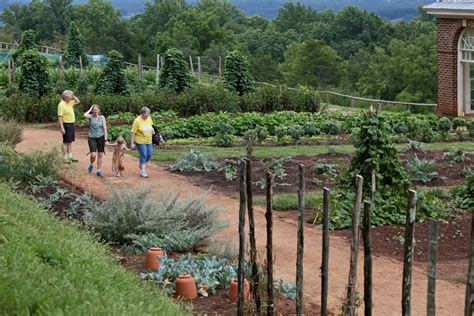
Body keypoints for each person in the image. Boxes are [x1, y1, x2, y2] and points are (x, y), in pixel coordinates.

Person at [84, 104, 108, 177]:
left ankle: (99, 170)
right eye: (93, 109)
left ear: (99, 110)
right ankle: (91, 164)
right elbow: (85, 115)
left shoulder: (102, 117)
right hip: (92, 137)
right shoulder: (90, 117)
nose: (95, 111)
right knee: (93, 155)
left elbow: (104, 128)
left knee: (100, 154)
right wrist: (90, 108)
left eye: (96, 109)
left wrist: (105, 139)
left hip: (101, 137)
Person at [131, 107, 154, 178]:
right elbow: (133, 132)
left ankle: (141, 164)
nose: (148, 115)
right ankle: (143, 171)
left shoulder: (149, 118)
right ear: (143, 113)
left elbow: (151, 125)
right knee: (143, 154)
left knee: (149, 155)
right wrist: (132, 143)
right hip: (140, 141)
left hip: (149, 140)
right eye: (147, 114)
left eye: (148, 114)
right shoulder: (137, 120)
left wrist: (153, 130)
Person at [57, 90, 80, 161]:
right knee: (65, 141)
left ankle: (70, 156)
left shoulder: (70, 102)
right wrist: (62, 128)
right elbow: (60, 116)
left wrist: (73, 95)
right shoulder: (61, 104)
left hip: (72, 124)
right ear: (66, 97)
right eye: (70, 95)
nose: (71, 97)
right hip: (66, 125)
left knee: (70, 141)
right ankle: (65, 157)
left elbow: (78, 101)